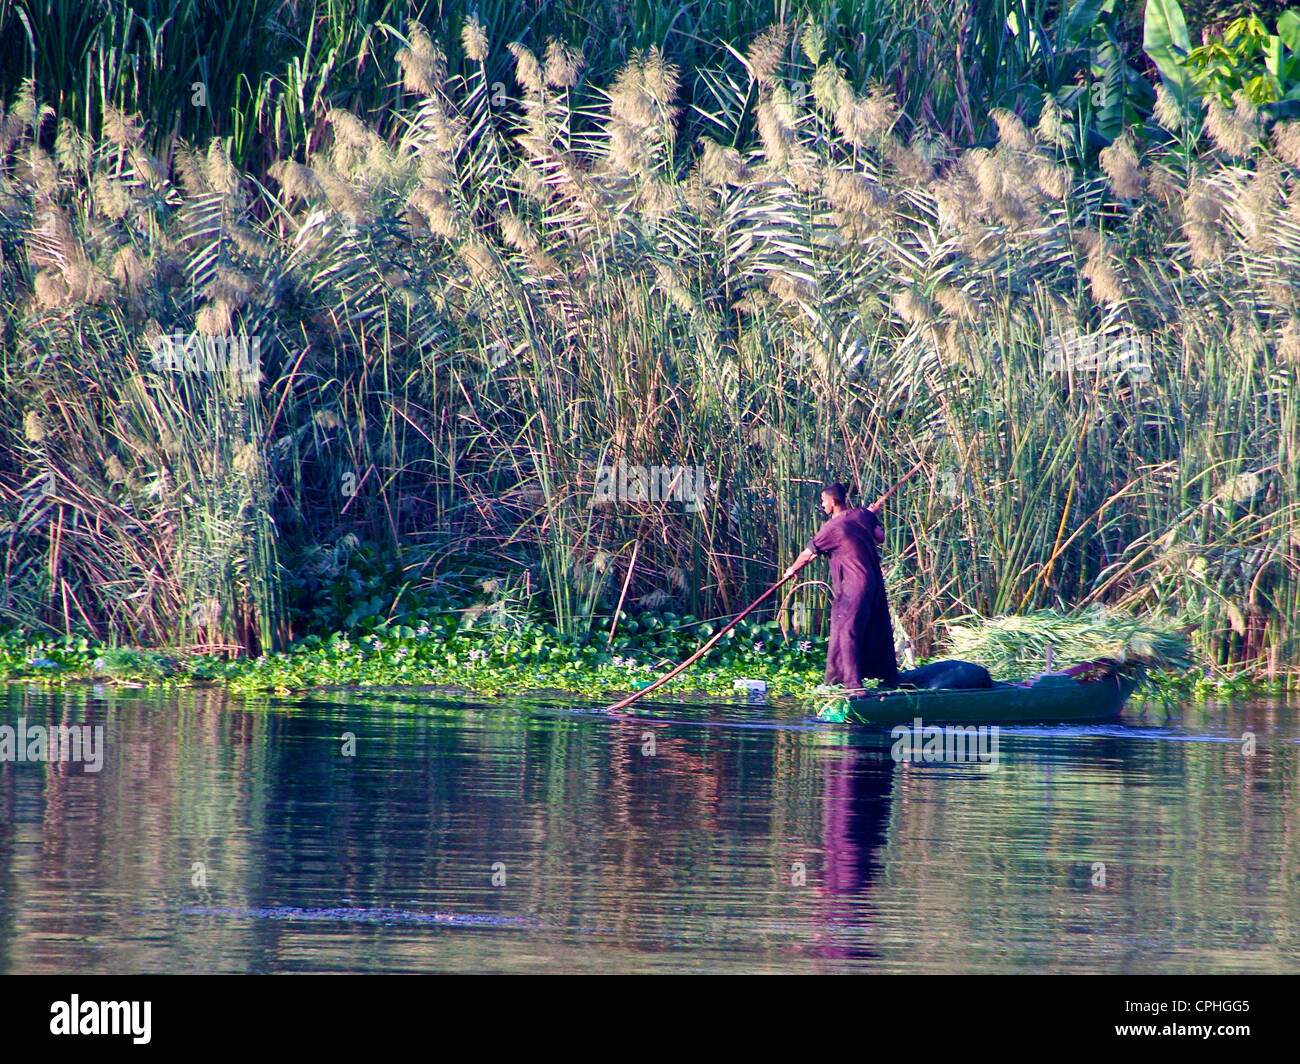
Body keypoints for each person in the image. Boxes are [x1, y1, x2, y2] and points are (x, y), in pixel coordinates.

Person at [783, 482, 899, 693]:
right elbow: (880, 537)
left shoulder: (832, 528)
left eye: (823, 501)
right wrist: (872, 516)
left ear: (834, 501)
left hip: (854, 585)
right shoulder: (862, 515)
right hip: (873, 582)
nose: (822, 505)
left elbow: (808, 554)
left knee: (846, 630)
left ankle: (854, 685)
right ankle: (885, 678)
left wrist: (792, 569)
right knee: (872, 626)